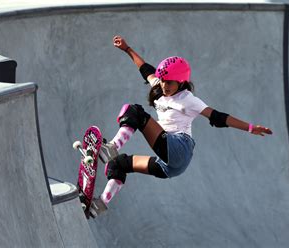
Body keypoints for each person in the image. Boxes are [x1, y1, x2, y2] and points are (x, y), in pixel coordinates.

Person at [89, 35, 273, 218]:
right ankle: (100, 205)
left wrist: (250, 128)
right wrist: (127, 49)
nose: (164, 85)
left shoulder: (188, 99)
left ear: (181, 82)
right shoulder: (159, 87)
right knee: (117, 165)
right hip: (169, 165)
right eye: (163, 81)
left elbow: (218, 117)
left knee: (133, 111)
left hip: (178, 147)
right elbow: (145, 69)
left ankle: (111, 148)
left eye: (169, 83)